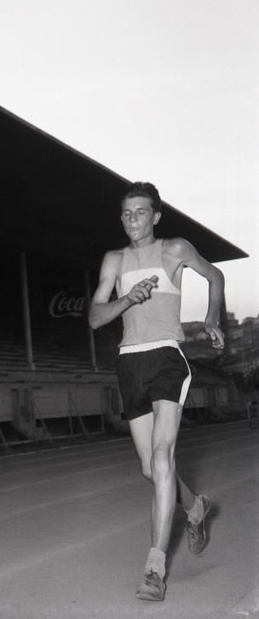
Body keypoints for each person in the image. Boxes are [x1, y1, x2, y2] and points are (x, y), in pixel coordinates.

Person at [89, 182, 225, 602]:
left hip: (167, 356)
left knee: (163, 457)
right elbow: (95, 317)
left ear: (156, 216)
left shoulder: (175, 249)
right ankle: (195, 507)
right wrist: (128, 298)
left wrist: (211, 318)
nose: (133, 219)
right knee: (151, 469)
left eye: (141, 212)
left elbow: (215, 274)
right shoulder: (114, 260)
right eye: (127, 213)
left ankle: (154, 569)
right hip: (130, 362)